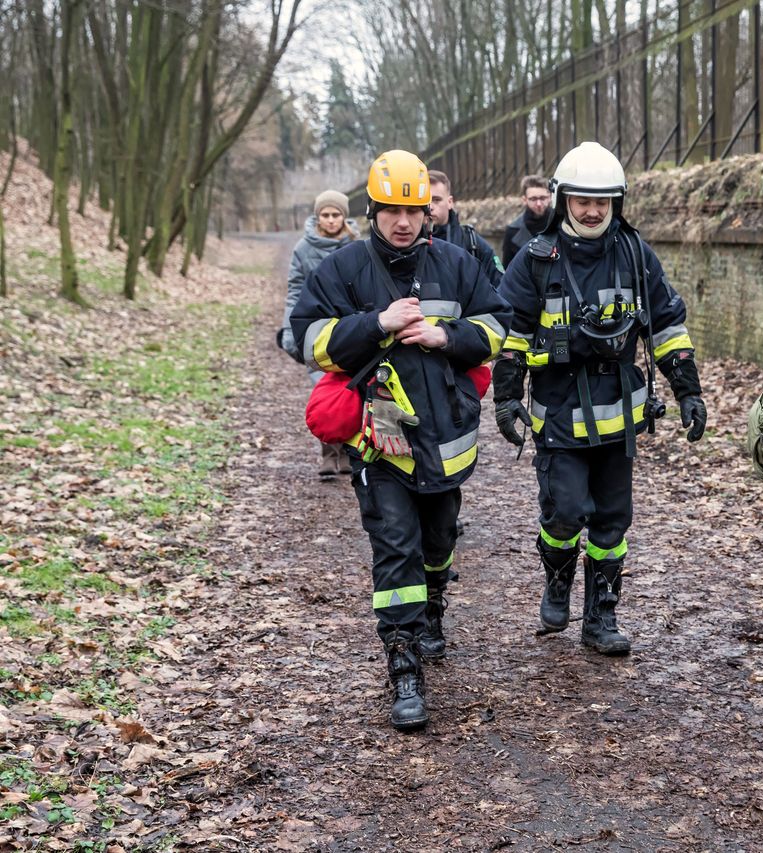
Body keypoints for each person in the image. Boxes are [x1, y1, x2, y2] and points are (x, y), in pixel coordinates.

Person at [291, 150, 511, 731]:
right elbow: (306, 337)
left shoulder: (460, 265)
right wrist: (376, 324)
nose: (404, 222)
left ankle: (434, 602)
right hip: (378, 435)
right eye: (391, 210)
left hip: (445, 432)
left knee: (438, 536)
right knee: (395, 546)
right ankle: (404, 663)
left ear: (427, 212)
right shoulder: (343, 270)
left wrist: (446, 335)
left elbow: (496, 327)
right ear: (374, 210)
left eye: (413, 210)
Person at [492, 141, 706, 656]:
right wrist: (505, 397)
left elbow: (667, 327)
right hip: (559, 410)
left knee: (612, 520)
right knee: (565, 512)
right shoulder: (535, 260)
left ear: (617, 203)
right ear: (564, 199)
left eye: (603, 202)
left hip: (618, 415)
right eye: (583, 200)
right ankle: (559, 579)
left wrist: (688, 390)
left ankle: (601, 618)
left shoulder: (635, 254)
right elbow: (512, 333)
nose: (592, 211)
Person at [280, 189, 358, 478]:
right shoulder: (303, 248)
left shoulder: (356, 244)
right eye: (325, 215)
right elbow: (295, 291)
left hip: (350, 327)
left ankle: (351, 450)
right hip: (317, 327)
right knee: (324, 390)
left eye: (336, 214)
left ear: (344, 216)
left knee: (352, 390)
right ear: (317, 217)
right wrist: (290, 330)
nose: (331, 219)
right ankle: (328, 452)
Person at [426, 169, 504, 288]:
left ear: (450, 202)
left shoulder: (472, 243)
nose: (430, 207)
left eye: (436, 200)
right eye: (425, 200)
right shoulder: (407, 243)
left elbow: (500, 287)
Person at [501, 175, 552, 268]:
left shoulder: (561, 224)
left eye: (542, 198)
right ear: (524, 200)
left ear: (550, 197)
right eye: (533, 199)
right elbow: (507, 271)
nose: (539, 204)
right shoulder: (513, 231)